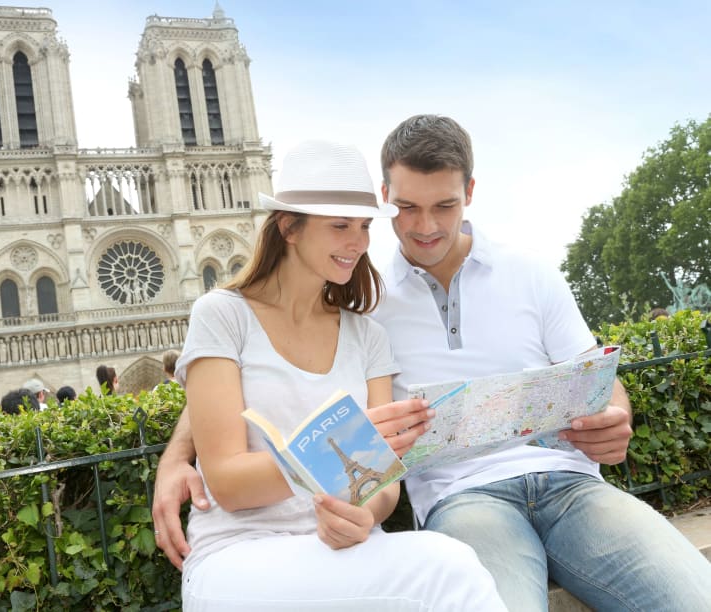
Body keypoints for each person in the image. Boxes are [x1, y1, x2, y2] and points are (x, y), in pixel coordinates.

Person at [153, 117, 711, 610]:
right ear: (385, 195)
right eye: (405, 209)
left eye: (444, 205)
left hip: (572, 486)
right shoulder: (368, 300)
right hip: (464, 501)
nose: (425, 227)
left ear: (469, 192)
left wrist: (616, 416)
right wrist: (179, 453)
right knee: (464, 583)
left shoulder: (512, 278)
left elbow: (596, 377)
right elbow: (247, 379)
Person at [167, 140, 504, 611]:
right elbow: (227, 482)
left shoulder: (368, 336)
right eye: (340, 226)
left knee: (450, 566)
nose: (359, 243)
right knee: (448, 567)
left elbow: (385, 485)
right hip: (239, 559)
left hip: (345, 556)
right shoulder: (222, 316)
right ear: (289, 227)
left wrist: (362, 514)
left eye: (364, 226)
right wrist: (337, 452)